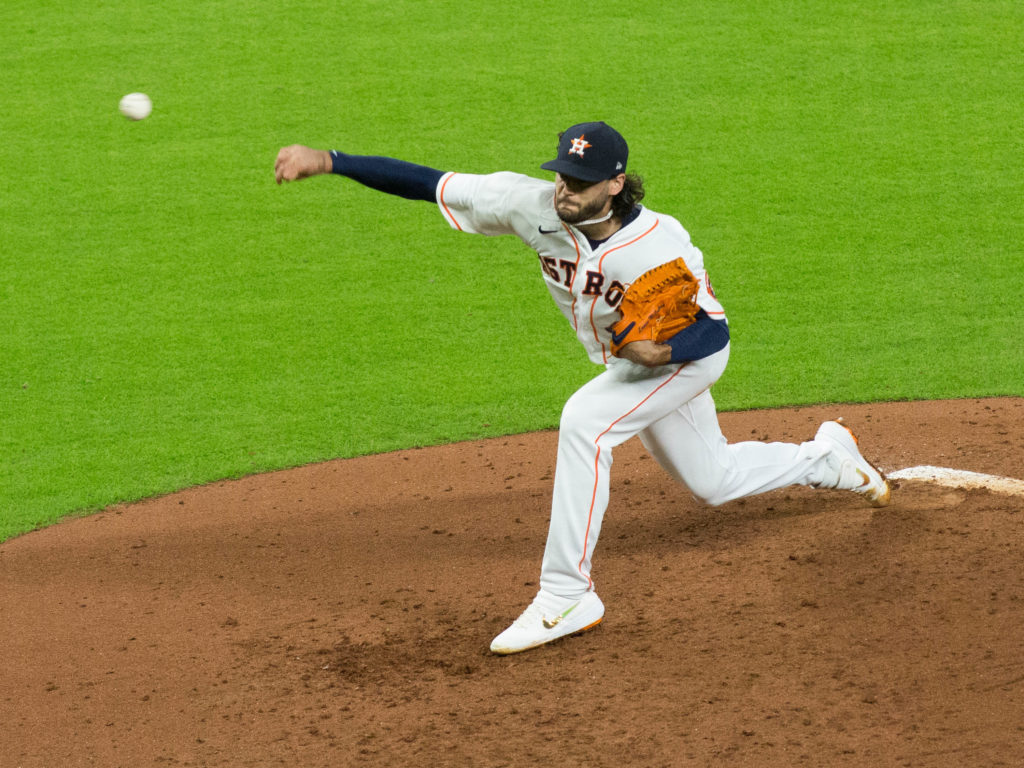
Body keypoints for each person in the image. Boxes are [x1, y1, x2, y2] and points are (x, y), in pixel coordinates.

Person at [274, 121, 891, 655]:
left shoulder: (659, 246)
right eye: (563, 175)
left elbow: (714, 331)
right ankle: (827, 459)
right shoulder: (530, 204)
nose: (564, 189)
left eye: (581, 181)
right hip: (632, 367)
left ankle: (566, 595)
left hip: (684, 361)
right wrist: (330, 161)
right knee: (714, 481)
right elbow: (430, 183)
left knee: (584, 423)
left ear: (616, 184)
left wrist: (664, 350)